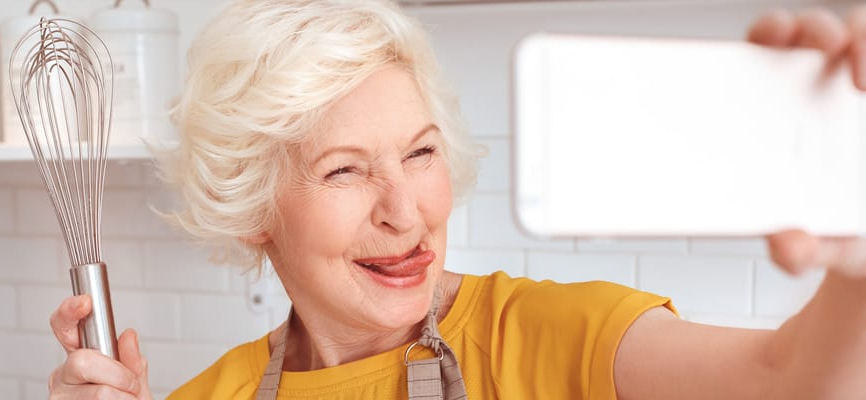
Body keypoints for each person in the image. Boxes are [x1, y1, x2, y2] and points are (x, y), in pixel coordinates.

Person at [46, 1, 866, 399]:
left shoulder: (551, 336)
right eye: (345, 171)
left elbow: (792, 381)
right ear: (254, 206)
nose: (405, 211)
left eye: (420, 153)